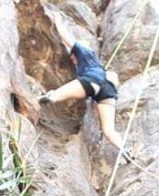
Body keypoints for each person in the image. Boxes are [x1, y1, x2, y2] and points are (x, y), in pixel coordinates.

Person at [38, 14, 134, 164]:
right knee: (109, 130)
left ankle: (40, 99)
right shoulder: (96, 63)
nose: (72, 59)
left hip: (92, 80)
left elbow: (66, 37)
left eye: (72, 56)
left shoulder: (84, 52)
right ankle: (123, 149)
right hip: (108, 91)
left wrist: (56, 21)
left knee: (54, 95)